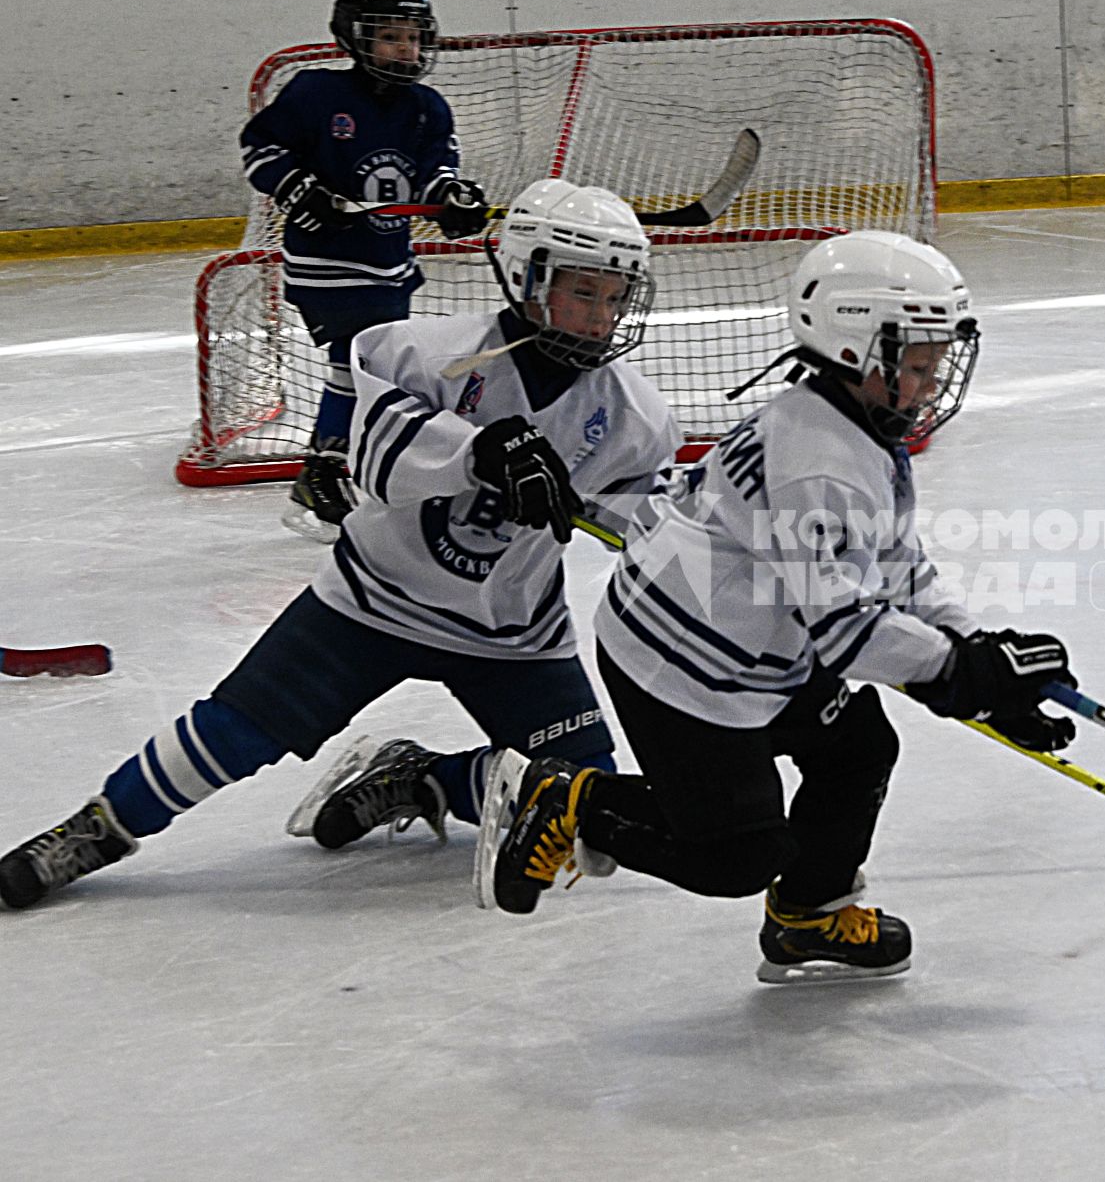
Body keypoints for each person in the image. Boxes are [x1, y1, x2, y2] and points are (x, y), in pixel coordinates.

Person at [0, 179, 679, 910]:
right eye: (584, 292)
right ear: (526, 277)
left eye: (615, 297)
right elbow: (379, 458)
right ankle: (98, 827)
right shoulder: (422, 353)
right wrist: (482, 449)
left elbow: (649, 522)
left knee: (587, 801)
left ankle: (425, 779)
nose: (602, 317)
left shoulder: (632, 414)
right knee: (231, 732)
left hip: (512, 633)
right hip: (371, 603)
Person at [478, 230, 1079, 984]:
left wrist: (977, 653)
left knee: (859, 749)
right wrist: (964, 674)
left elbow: (896, 565)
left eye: (935, 361)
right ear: (859, 345)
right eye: (918, 361)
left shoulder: (853, 423)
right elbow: (848, 631)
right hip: (681, 663)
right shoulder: (818, 459)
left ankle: (810, 916)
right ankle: (570, 798)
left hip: (756, 640)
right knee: (735, 857)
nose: (932, 380)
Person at [241, 0, 491, 542]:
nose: (406, 49)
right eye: (390, 36)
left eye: (412, 37)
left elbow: (436, 175)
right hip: (326, 265)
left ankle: (341, 464)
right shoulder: (315, 94)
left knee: (369, 364)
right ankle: (326, 469)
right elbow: (260, 147)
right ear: (355, 38)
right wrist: (297, 186)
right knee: (363, 360)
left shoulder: (427, 108)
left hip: (389, 264)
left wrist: (453, 198)